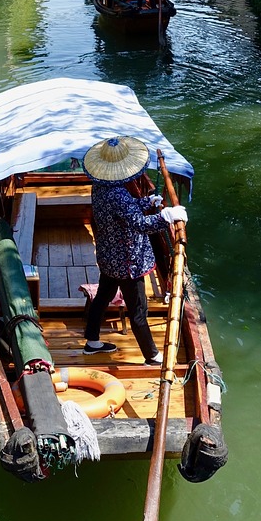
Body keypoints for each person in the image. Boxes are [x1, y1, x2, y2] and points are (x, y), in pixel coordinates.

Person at [82, 135, 187, 367]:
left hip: (109, 256)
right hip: (128, 262)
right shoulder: (119, 195)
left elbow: (123, 211)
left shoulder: (100, 185)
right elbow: (139, 223)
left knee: (103, 297)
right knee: (138, 310)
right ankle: (152, 356)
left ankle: (92, 341)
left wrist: (147, 202)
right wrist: (165, 216)